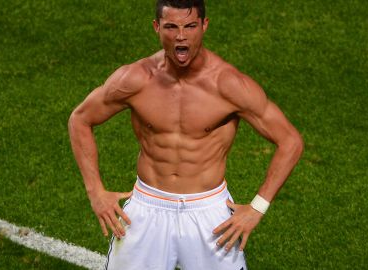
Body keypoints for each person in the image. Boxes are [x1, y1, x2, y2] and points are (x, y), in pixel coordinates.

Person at [68, 0, 303, 269]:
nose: (181, 36)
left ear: (204, 26)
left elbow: (290, 141)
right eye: (171, 27)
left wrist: (257, 208)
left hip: (211, 216)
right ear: (157, 27)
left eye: (190, 26)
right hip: (146, 210)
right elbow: (80, 119)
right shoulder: (136, 79)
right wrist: (95, 192)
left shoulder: (228, 85)